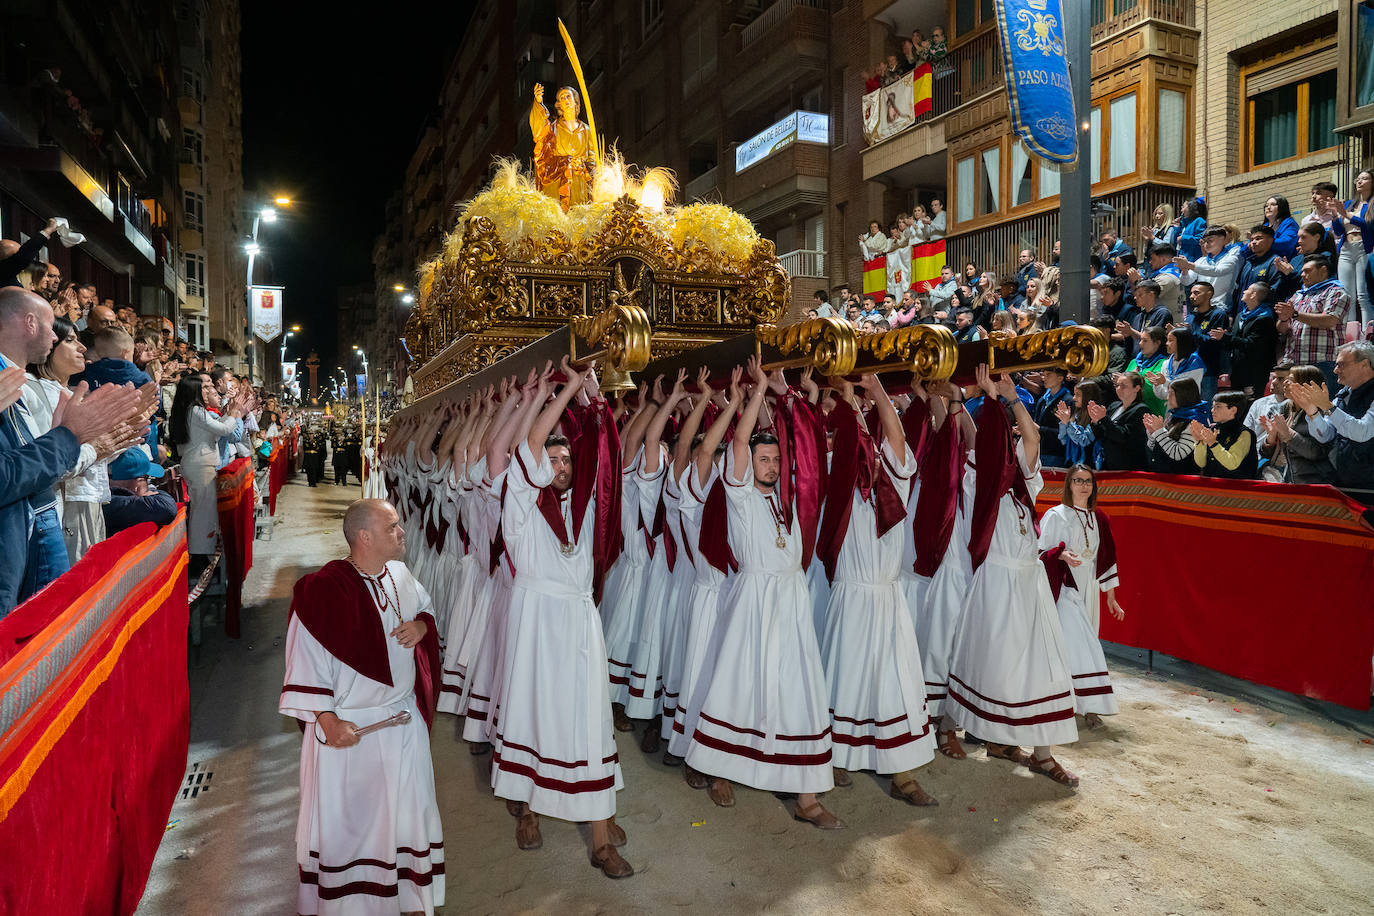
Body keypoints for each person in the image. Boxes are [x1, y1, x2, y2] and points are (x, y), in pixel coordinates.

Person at [486, 359, 633, 878]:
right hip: (536, 625)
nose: (559, 463)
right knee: (533, 714)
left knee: (590, 722)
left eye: (566, 457)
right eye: (551, 457)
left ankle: (599, 835)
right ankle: (529, 810)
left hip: (579, 622)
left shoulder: (587, 507)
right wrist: (565, 388)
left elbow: (606, 461)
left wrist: (593, 400)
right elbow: (529, 446)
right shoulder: (522, 504)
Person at [685, 356, 840, 828]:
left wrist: (789, 395)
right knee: (737, 685)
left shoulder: (787, 497)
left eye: (776, 460)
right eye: (764, 459)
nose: (771, 465)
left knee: (801, 691)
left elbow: (803, 446)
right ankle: (718, 770)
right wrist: (753, 394)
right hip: (751, 598)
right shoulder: (738, 492)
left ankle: (808, 797)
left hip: (791, 600)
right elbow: (736, 440)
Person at [280, 499, 444, 916]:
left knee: (408, 821)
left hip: (403, 727)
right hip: (354, 735)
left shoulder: (401, 576)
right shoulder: (323, 591)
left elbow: (426, 609)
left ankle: (408, 901)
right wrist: (327, 719)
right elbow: (304, 659)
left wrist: (423, 625)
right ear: (364, 537)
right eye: (392, 526)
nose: (402, 532)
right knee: (356, 833)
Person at [944, 366, 1080, 786]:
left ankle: (1042, 754)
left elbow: (1034, 438)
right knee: (986, 664)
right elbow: (971, 437)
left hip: (1030, 584)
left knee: (1044, 665)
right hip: (994, 586)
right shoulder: (976, 482)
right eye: (1005, 444)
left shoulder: (1024, 485)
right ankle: (967, 731)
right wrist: (977, 399)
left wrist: (1010, 397)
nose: (1011, 449)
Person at [816, 375, 937, 807]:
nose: (867, 452)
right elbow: (840, 447)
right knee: (844, 677)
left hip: (887, 598)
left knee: (895, 682)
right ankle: (835, 757)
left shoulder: (896, 477)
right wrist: (846, 405)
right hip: (850, 596)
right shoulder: (836, 480)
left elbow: (897, 433)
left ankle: (902, 772)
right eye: (860, 447)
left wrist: (876, 389)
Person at [0, 287, 140, 614]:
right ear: (30, 323)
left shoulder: (15, 380)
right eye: (54, 327)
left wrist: (99, 439)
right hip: (34, 524)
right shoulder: (29, 387)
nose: (56, 335)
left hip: (35, 523)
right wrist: (73, 437)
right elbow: (14, 473)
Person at [1039, 465, 1125, 729]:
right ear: (1069, 484)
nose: (1083, 485)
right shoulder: (1056, 515)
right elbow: (1039, 551)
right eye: (1078, 480)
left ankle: (1087, 704)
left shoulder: (1099, 517)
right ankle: (1066, 703)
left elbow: (1106, 558)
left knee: (1087, 645)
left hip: (1088, 585)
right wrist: (1060, 555)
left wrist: (1111, 596)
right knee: (1068, 645)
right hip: (1063, 589)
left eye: (1088, 481)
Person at [170, 372, 249, 567]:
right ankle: (199, 555)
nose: (208, 390)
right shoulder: (195, 410)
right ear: (193, 390)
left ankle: (202, 551)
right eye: (204, 388)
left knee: (204, 510)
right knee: (203, 512)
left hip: (199, 463)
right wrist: (234, 411)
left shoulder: (192, 410)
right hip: (200, 465)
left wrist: (231, 410)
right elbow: (224, 430)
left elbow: (218, 427)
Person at [1292, 341, 1374, 498]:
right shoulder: (1343, 394)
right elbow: (1325, 436)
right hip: (1343, 481)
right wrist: (1312, 411)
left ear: (1364, 364)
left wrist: (1327, 407)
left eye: (1341, 365)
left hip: (1369, 486)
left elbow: (1362, 432)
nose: (1335, 370)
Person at [1276, 254, 1349, 394]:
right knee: (1297, 408)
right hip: (1294, 363)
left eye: (1307, 271)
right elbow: (1282, 329)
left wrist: (1295, 314)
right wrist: (1284, 318)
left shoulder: (1336, 292)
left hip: (1322, 362)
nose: (1302, 274)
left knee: (1324, 408)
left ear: (1323, 270)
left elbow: (1330, 320)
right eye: (1302, 271)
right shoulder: (1298, 295)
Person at [1256, 365, 1333, 484]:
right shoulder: (1283, 408)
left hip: (1307, 482)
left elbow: (1317, 452)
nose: (1285, 383)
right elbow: (1265, 453)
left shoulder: (1320, 413)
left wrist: (1288, 435)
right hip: (1277, 476)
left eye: (1291, 380)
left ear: (1304, 385)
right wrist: (1270, 439)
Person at [1219, 282, 1280, 397]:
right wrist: (1224, 337)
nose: (1243, 291)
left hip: (1253, 373)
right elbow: (1235, 339)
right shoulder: (1240, 316)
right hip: (1237, 371)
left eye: (1247, 290)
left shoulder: (1264, 318)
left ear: (1254, 295)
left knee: (1250, 406)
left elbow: (1253, 344)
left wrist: (1227, 337)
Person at [103, 447, 177, 533]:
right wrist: (145, 499)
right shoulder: (113, 506)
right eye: (146, 478)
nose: (149, 484)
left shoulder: (103, 500)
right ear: (137, 485)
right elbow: (167, 507)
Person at [1142, 378, 1206, 475]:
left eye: (1171, 394)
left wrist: (1159, 431)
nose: (1167, 397)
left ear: (1184, 396)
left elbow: (1178, 454)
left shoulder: (1196, 421)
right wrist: (1152, 433)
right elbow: (1154, 448)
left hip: (1181, 482)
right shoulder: (1174, 416)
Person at [1090, 372, 1150, 471]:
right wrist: (1095, 422)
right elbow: (1101, 434)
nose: (1119, 389)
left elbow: (1124, 437)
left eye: (1124, 386)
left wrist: (1104, 419)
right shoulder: (1114, 405)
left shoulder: (1141, 410)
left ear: (1136, 388)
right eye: (1117, 385)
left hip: (1129, 467)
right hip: (1108, 463)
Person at [1190, 391, 1256, 479]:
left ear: (1233, 410)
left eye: (1218, 407)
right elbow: (1201, 463)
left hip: (1235, 488)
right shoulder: (1214, 429)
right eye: (1212, 407)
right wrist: (1199, 442)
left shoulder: (1244, 433)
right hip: (1211, 485)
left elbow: (1232, 463)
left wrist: (1213, 444)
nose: (1212, 410)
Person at [1032, 367, 1073, 467]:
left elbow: (1067, 433)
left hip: (1056, 454)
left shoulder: (1068, 400)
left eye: (1048, 375)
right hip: (1038, 452)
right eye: (1044, 375)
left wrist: (1039, 429)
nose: (1044, 378)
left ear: (1060, 378)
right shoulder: (1042, 400)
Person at [1125, 325, 1169, 415]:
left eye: (1145, 340)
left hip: (1154, 413)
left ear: (1157, 343)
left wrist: (1133, 379)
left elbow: (1150, 391)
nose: (1140, 343)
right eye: (1140, 340)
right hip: (1131, 413)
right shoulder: (1134, 362)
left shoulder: (1164, 363)